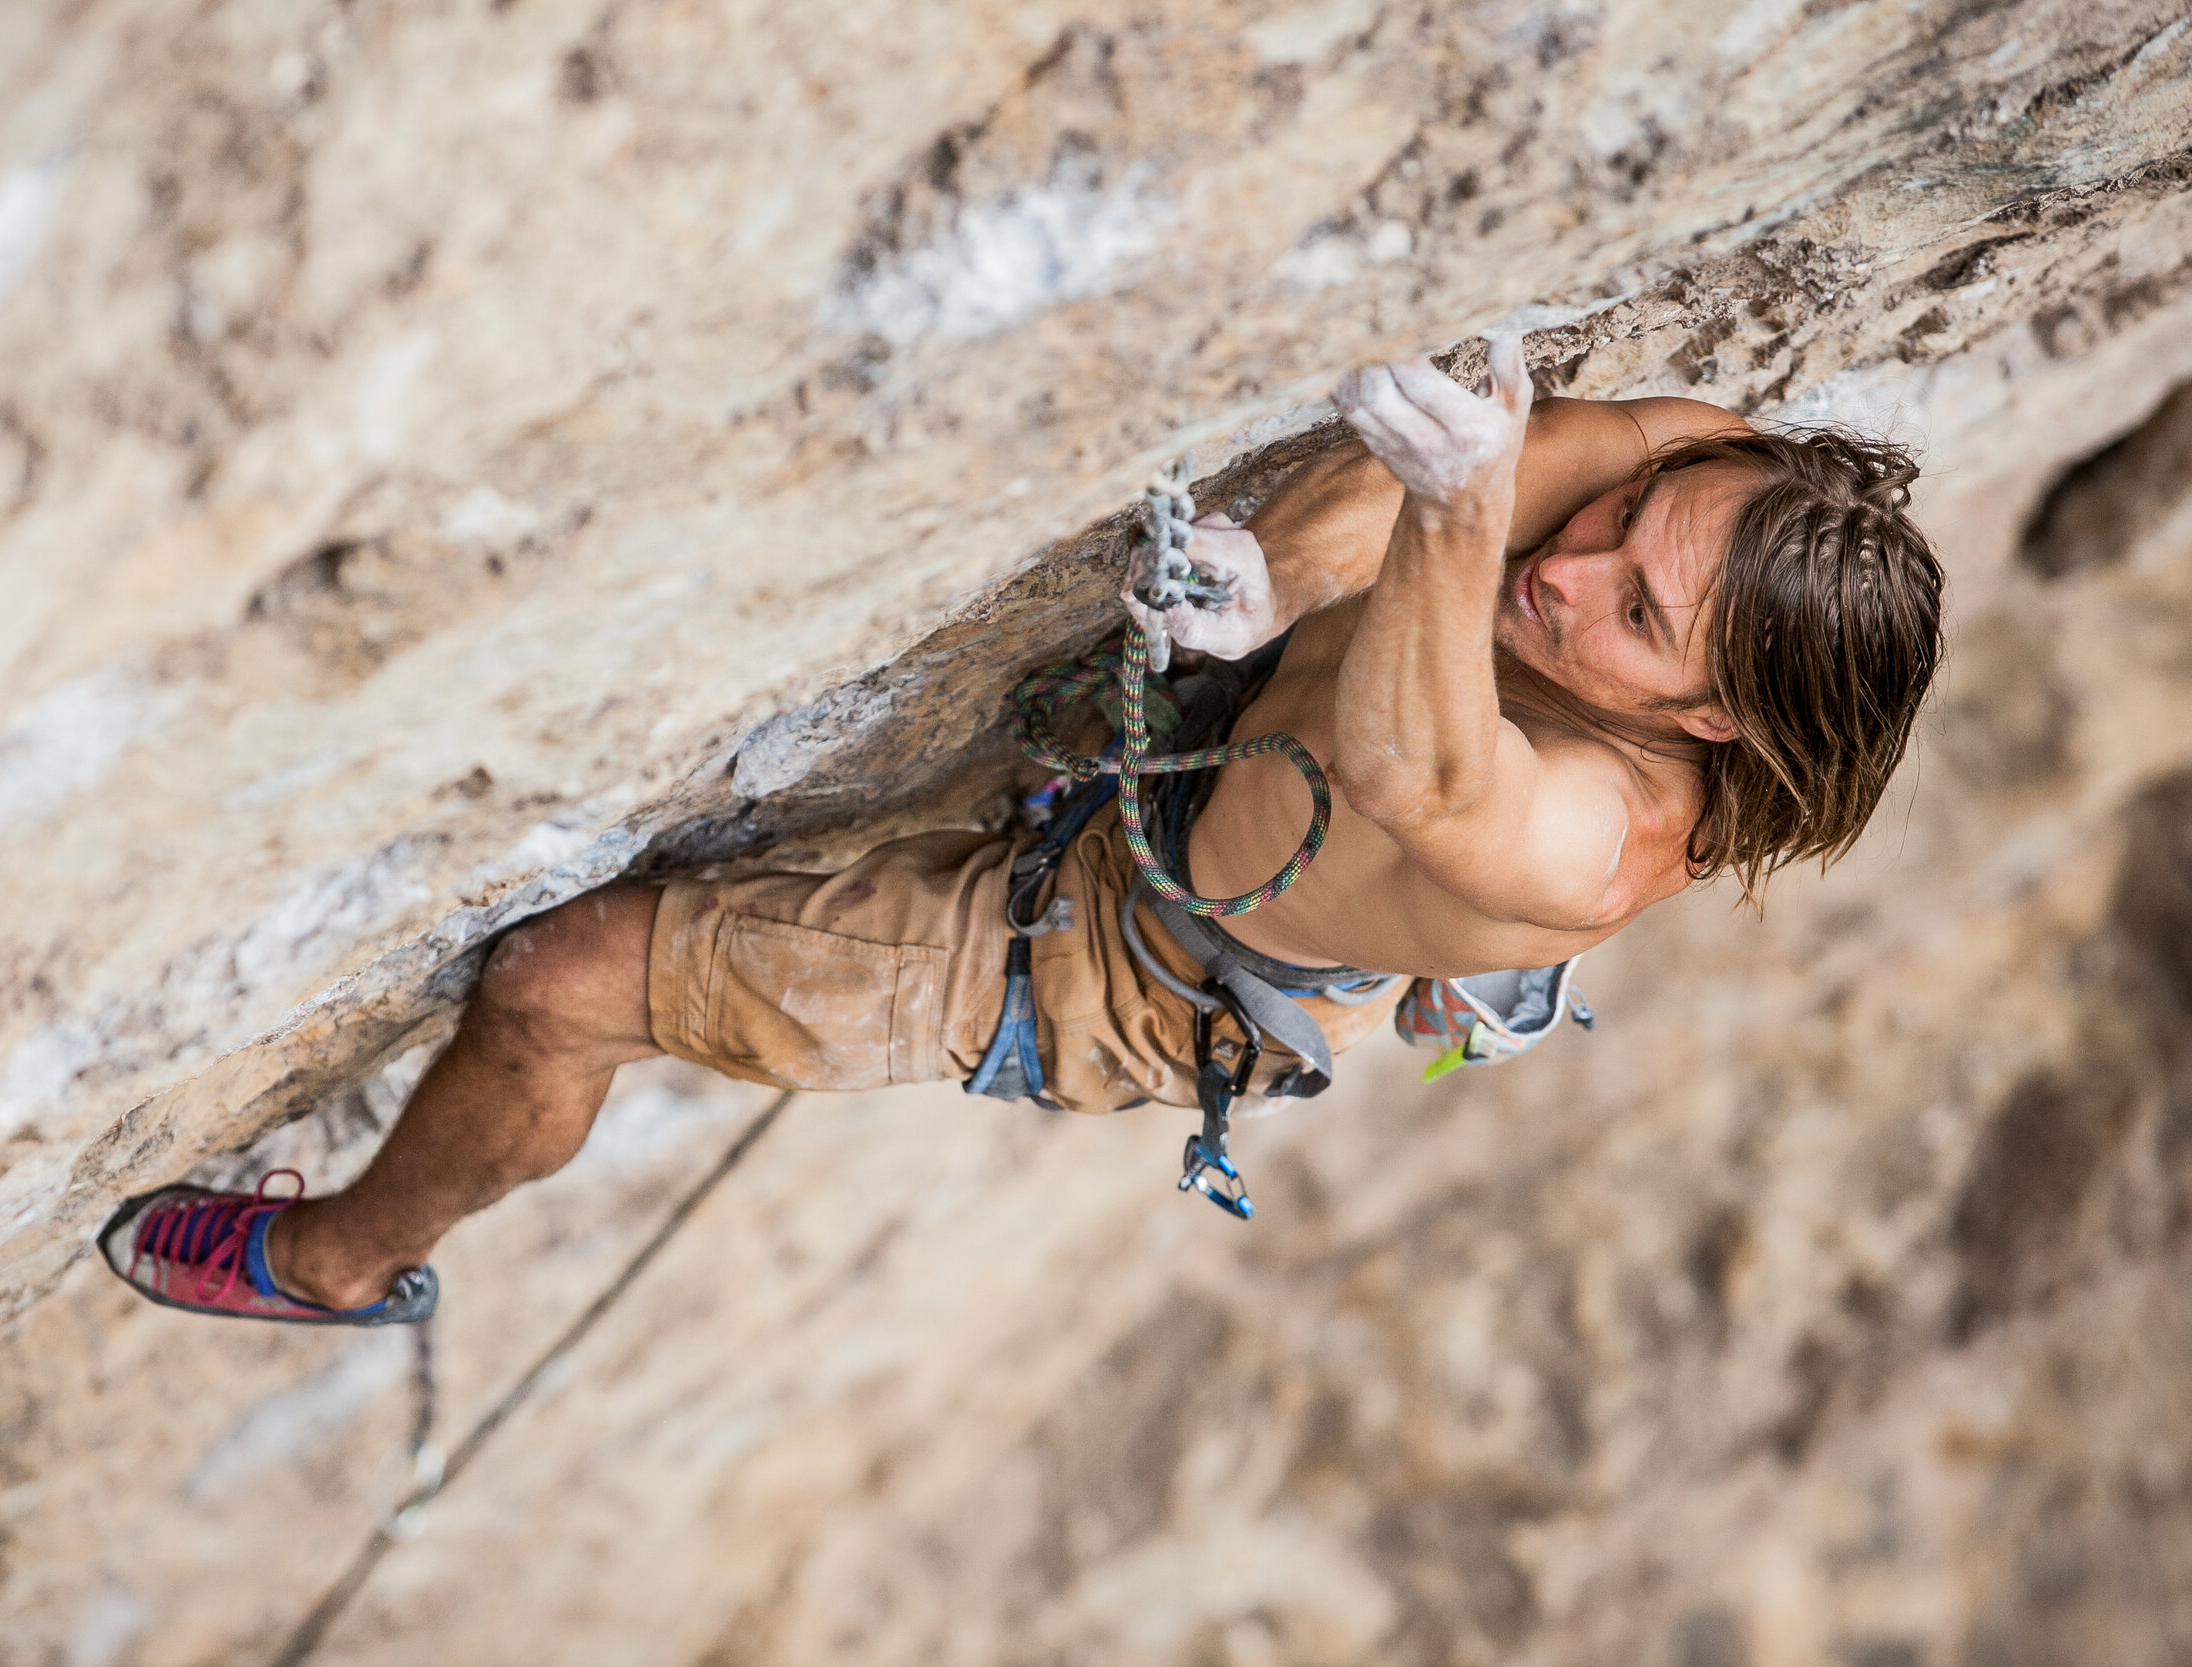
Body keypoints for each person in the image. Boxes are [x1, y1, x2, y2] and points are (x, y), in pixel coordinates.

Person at [96, 334, 1944, 1324]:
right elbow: (1516, 477)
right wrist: (1272, 576)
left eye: (1632, 617)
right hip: (1198, 747)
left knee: (566, 980)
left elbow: (1426, 776)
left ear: (1705, 718)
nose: (1576, 572)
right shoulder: (1715, 497)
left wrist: (1448, 531)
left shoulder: (1592, 847)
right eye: (1626, 532)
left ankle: (337, 1265)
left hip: (1106, 968)